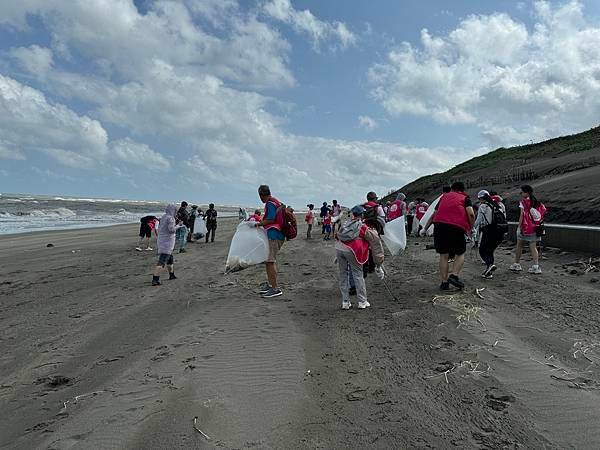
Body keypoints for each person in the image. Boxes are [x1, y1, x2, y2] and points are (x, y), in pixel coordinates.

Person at [425, 181, 475, 290]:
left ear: (452, 189)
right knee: (460, 252)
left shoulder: (443, 197)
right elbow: (471, 213)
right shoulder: (465, 198)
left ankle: (444, 283)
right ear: (462, 190)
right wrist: (470, 228)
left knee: (443, 255)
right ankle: (454, 275)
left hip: (439, 226)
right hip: (456, 227)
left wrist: (426, 227)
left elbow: (434, 214)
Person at [336, 205, 385, 310]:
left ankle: (345, 302)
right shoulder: (362, 227)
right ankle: (362, 301)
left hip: (339, 249)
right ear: (362, 215)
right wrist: (378, 264)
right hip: (352, 251)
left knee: (343, 275)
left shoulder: (345, 224)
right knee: (358, 274)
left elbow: (338, 236)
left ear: (352, 214)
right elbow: (376, 244)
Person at [253, 185, 285, 298]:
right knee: (269, 261)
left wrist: (258, 224)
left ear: (261, 195)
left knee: (270, 261)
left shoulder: (270, 204)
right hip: (277, 234)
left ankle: (275, 288)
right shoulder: (275, 201)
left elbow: (270, 219)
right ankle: (272, 285)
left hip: (274, 235)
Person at [510, 185, 547, 274]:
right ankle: (536, 266)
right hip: (535, 227)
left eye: (522, 192)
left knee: (519, 245)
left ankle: (517, 264)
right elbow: (543, 211)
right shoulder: (537, 202)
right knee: (533, 247)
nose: (520, 193)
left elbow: (522, 216)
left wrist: (519, 227)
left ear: (526, 192)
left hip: (526, 228)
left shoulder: (523, 202)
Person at [151, 204, 181, 286]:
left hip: (162, 240)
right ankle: (155, 279)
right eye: (176, 210)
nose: (176, 212)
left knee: (170, 258)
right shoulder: (171, 218)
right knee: (162, 261)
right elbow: (171, 230)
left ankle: (172, 275)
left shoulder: (164, 216)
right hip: (167, 242)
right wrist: (179, 226)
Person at [474, 190, 500, 279]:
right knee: (490, 250)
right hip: (497, 230)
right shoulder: (495, 205)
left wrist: (472, 228)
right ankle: (489, 272)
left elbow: (478, 219)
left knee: (482, 250)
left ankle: (490, 265)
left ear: (481, 198)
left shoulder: (483, 206)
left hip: (488, 229)